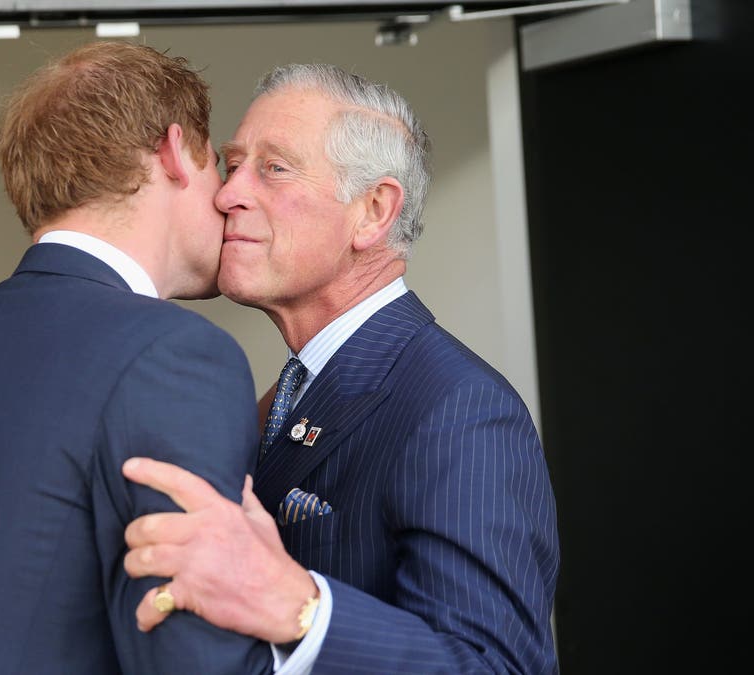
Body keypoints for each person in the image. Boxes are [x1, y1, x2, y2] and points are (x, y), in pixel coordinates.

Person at [0, 41, 273, 674]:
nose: (228, 196)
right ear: (175, 151)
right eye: (219, 164)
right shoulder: (176, 356)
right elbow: (197, 657)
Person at [122, 63, 561, 674]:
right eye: (231, 163)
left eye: (273, 168)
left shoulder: (459, 410)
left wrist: (301, 610)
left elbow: (496, 668)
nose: (227, 194)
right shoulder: (283, 397)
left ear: (374, 211)